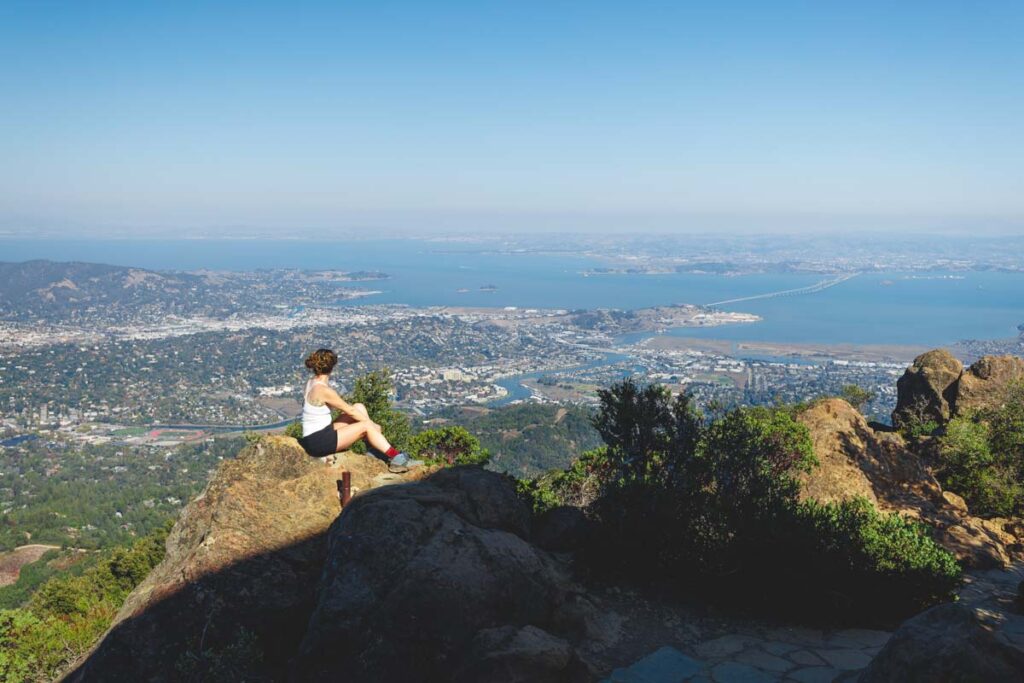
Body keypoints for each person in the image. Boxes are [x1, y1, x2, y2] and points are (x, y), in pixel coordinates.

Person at [298, 348, 422, 471]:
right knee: (365, 426)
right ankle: (396, 457)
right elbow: (349, 411)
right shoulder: (324, 391)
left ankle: (374, 449)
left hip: (317, 435)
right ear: (332, 367)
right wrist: (372, 425)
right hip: (318, 443)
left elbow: (352, 410)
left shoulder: (311, 382)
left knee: (359, 407)